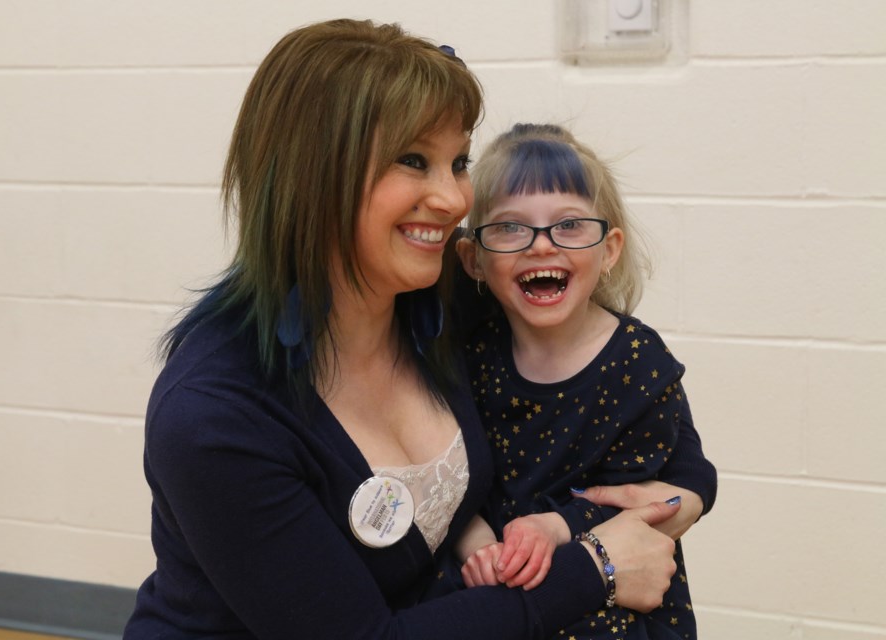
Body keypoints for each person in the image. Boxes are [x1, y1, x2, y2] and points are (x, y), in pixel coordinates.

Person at [124, 21, 687, 639]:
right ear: (313, 174)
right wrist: (596, 568)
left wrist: (676, 497)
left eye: (458, 162)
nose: (452, 199)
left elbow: (636, 403)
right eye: (414, 161)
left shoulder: (444, 295)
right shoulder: (213, 417)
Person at [453, 123, 717, 639]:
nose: (541, 245)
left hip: (614, 598)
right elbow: (455, 483)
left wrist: (557, 527)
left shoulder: (637, 360)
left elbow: (642, 495)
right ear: (474, 259)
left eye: (569, 225)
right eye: (510, 227)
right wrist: (479, 547)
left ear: (610, 248)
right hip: (498, 588)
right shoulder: (470, 355)